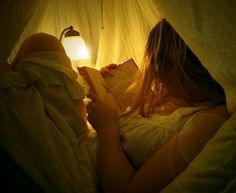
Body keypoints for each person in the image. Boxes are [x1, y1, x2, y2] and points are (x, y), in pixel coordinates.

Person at [87, 18, 230, 193]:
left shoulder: (211, 119)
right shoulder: (172, 98)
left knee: (46, 45)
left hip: (85, 172)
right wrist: (107, 84)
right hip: (85, 150)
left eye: (158, 62)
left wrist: (107, 129)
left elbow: (125, 189)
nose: (156, 72)